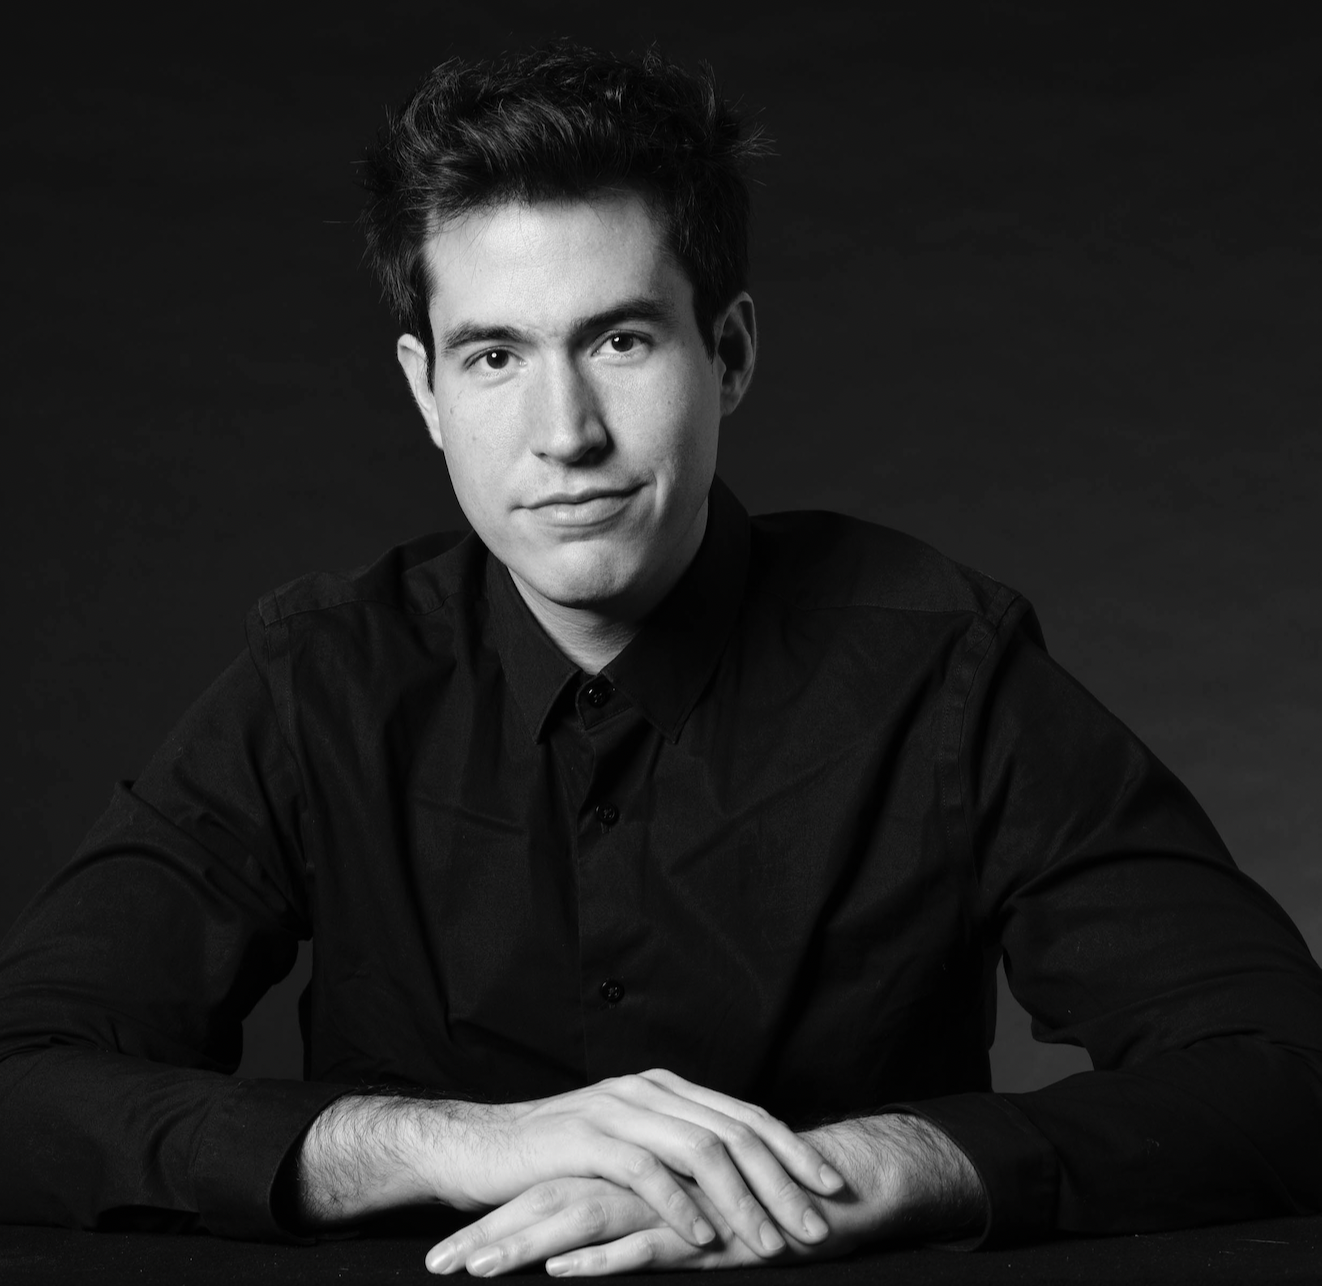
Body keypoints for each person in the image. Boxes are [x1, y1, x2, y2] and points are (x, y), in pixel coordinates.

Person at [2, 42, 1320, 1278]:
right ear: (425, 391)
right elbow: (21, 1078)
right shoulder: (323, 676)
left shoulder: (943, 668)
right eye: (495, 355)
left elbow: (1288, 1069)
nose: (565, 431)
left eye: (619, 340)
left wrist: (863, 1172)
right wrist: (446, 1143)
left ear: (727, 354)